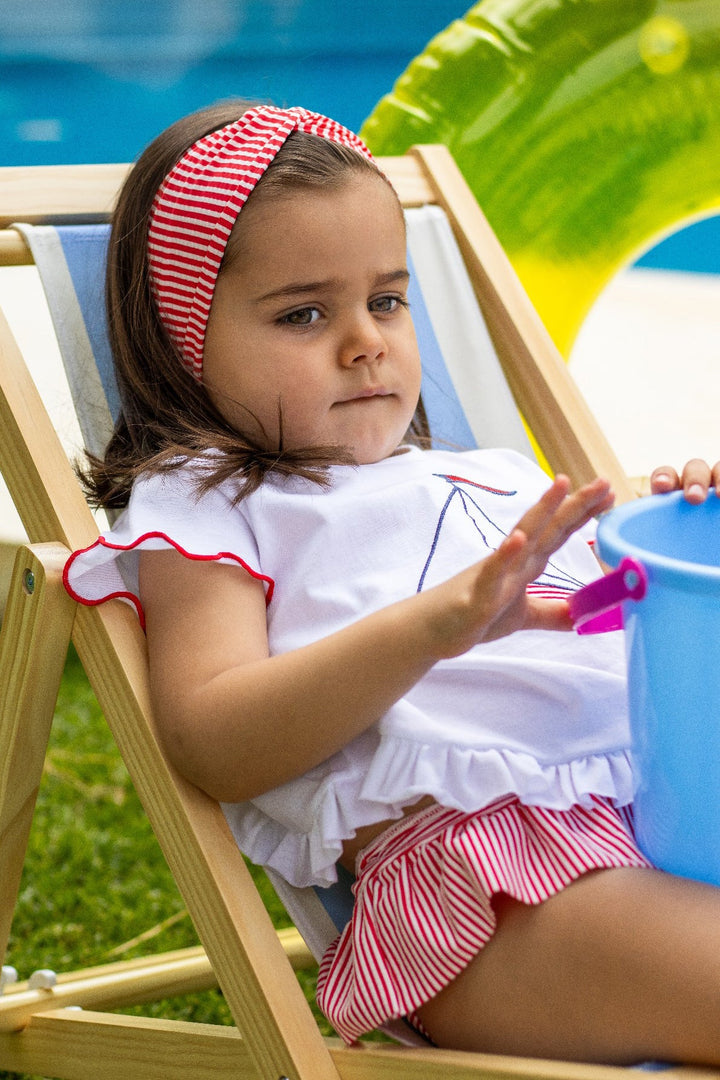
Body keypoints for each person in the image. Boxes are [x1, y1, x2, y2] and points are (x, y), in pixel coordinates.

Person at [64, 100, 720, 1065]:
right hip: (498, 883)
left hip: (668, 810)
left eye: (388, 298)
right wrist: (433, 628)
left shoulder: (488, 472)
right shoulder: (205, 502)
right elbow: (217, 739)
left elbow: (609, 635)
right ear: (184, 343)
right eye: (303, 313)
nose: (368, 340)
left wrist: (683, 546)